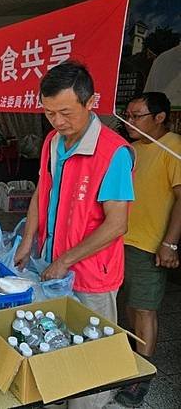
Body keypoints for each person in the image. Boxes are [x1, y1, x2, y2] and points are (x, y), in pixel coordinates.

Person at [13, 61, 134, 409]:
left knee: (92, 352)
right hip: (53, 265)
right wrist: (27, 239)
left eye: (65, 112)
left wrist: (66, 259)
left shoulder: (113, 152)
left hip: (92, 275)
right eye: (50, 113)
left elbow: (117, 224)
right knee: (55, 340)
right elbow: (42, 190)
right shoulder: (53, 141)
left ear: (90, 102)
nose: (58, 122)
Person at [115, 92, 180, 407]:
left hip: (150, 243)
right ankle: (133, 357)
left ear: (159, 117)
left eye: (137, 115)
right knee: (130, 303)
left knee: (145, 308)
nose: (129, 122)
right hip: (121, 239)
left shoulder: (174, 148)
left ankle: (143, 377)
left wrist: (170, 242)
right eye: (127, 114)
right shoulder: (132, 150)